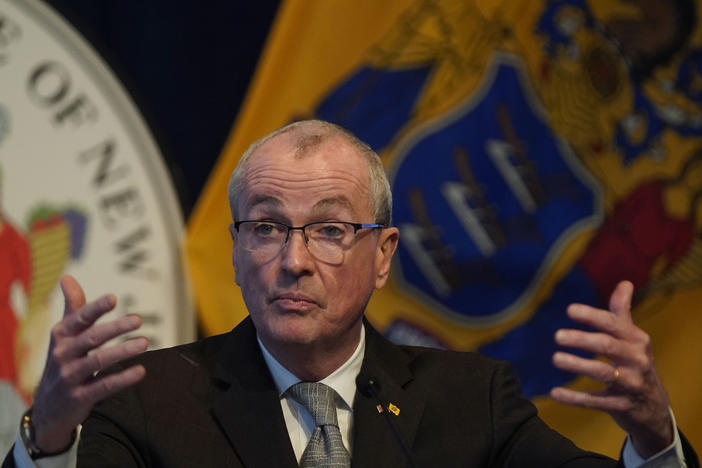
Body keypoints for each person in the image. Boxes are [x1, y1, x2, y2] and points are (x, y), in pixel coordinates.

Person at [3, 120, 698, 467]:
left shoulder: (473, 402)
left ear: (383, 255)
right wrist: (51, 435)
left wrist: (654, 437)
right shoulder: (149, 399)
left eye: (330, 230)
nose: (294, 260)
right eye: (267, 228)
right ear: (238, 250)